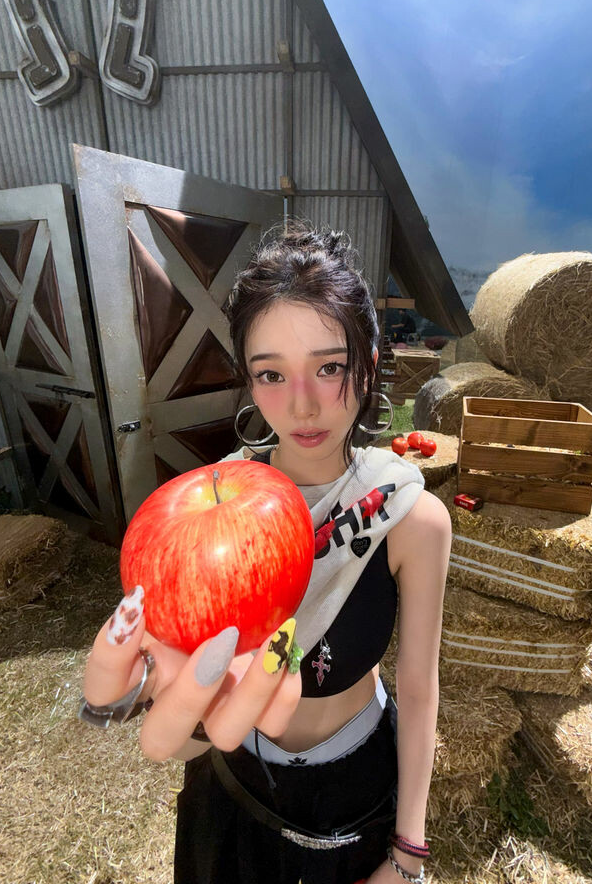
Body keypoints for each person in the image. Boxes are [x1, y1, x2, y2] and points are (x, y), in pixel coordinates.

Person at [79, 223, 452, 884]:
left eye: (330, 367)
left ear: (369, 363)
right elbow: (192, 703)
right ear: (249, 383)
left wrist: (408, 855)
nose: (302, 404)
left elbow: (421, 690)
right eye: (272, 374)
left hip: (359, 790)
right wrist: (177, 708)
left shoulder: (406, 516)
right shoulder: (209, 518)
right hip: (233, 790)